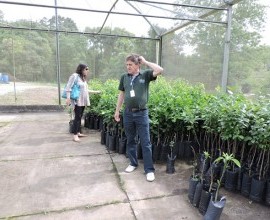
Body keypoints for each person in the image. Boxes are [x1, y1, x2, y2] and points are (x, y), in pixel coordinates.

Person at [114, 54, 163, 182]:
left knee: (145, 142)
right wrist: (117, 110)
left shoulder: (145, 75)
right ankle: (133, 163)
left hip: (141, 114)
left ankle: (149, 170)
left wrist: (146, 61)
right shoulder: (124, 77)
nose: (128, 67)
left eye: (130, 64)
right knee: (130, 139)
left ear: (137, 65)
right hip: (128, 113)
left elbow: (160, 70)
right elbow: (121, 94)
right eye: (127, 65)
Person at [65, 63, 90, 142]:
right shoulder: (74, 76)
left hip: (83, 101)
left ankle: (78, 132)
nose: (87, 71)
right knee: (77, 118)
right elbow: (68, 87)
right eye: (86, 69)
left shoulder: (82, 78)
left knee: (80, 117)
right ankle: (75, 135)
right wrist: (68, 98)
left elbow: (84, 90)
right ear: (81, 69)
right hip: (77, 101)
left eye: (87, 69)